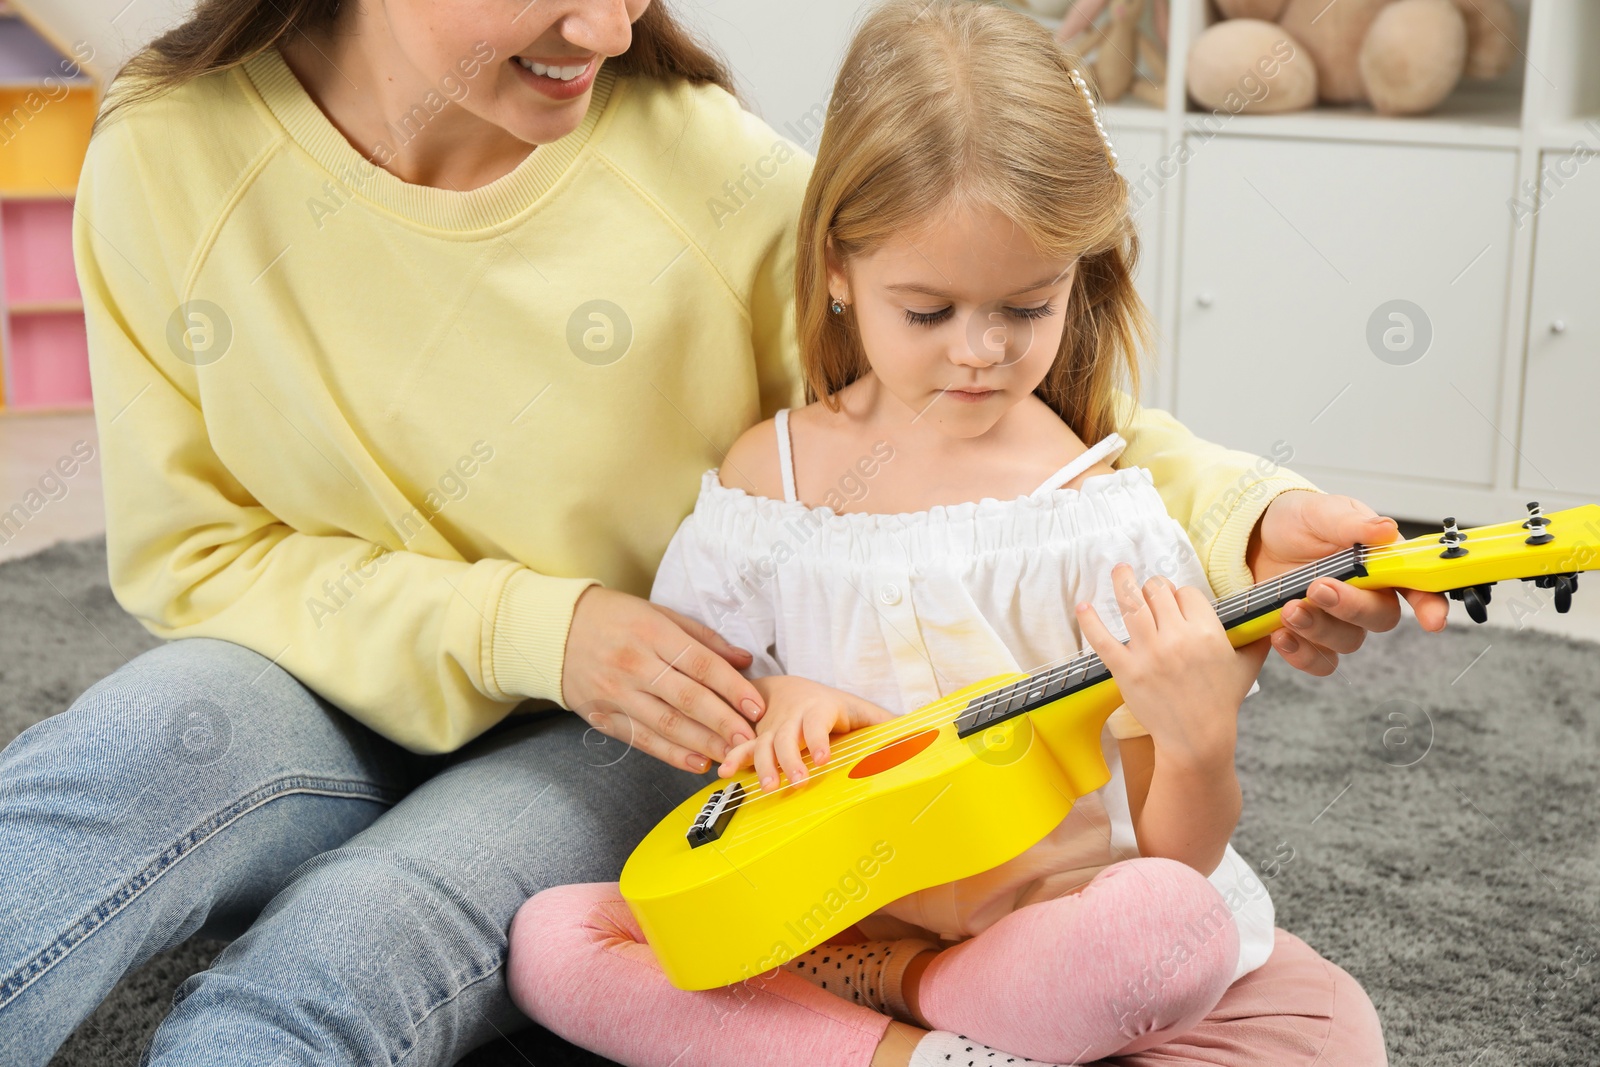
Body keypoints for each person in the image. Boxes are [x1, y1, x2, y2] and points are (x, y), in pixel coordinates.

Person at [0, 0, 1439, 1063]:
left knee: (350, 944)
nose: (608, 24)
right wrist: (533, 626)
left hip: (661, 715)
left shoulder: (708, 171)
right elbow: (193, 556)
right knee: (97, 779)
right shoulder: (169, 153)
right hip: (312, 674)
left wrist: (1254, 508)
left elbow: (1004, 409)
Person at [504, 4, 1398, 1066]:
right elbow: (704, 728)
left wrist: (1200, 740)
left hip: (1051, 942)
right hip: (824, 937)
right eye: (925, 311)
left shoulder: (1097, 511)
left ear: (1078, 273)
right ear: (836, 266)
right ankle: (927, 1052)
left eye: (1026, 308)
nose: (978, 352)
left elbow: (1175, 855)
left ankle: (899, 1032)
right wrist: (774, 708)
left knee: (1182, 934)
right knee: (558, 940)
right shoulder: (765, 486)